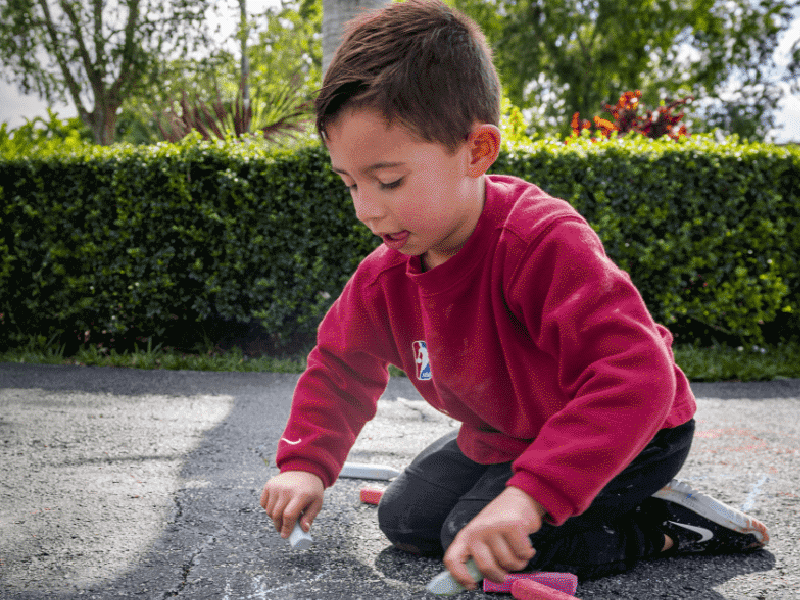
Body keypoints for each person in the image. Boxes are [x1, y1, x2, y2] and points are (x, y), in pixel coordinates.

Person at [258, 0, 769, 590]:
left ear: (477, 151)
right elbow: (340, 366)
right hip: (513, 435)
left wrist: (529, 497)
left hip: (633, 432)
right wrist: (306, 466)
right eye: (349, 183)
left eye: (390, 180)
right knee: (407, 519)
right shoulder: (387, 273)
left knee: (475, 543)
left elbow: (639, 375)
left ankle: (662, 524)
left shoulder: (540, 242)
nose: (368, 209)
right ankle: (536, 499)